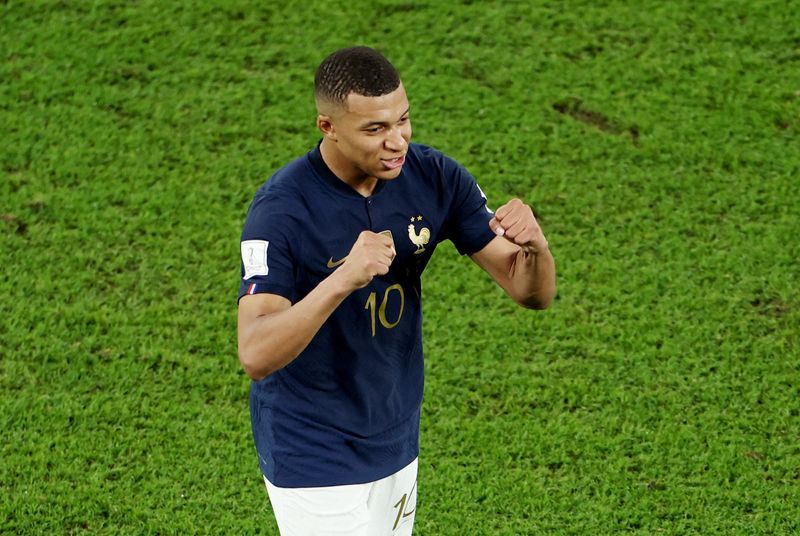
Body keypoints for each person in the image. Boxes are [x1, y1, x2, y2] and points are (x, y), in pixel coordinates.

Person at [237, 46, 556, 536]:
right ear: (328, 127)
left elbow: (530, 291)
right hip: (311, 447)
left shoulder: (434, 177)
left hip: (395, 432)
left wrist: (536, 247)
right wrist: (342, 279)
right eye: (375, 129)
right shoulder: (281, 210)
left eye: (402, 120)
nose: (397, 141)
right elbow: (255, 352)